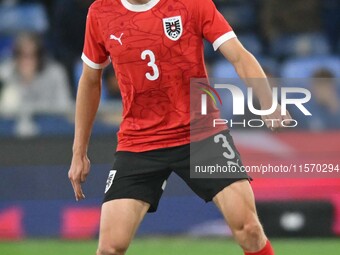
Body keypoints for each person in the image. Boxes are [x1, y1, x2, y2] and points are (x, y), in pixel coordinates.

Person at [68, 1, 291, 255]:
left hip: (201, 134)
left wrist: (268, 101)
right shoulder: (101, 12)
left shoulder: (191, 4)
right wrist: (78, 152)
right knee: (110, 248)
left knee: (249, 229)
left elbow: (239, 55)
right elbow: (90, 81)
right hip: (139, 141)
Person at [0, 32, 72, 136]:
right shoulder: (4, 74)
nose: (27, 60)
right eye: (22, 54)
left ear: (40, 56)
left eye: (32, 55)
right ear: (15, 56)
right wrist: (25, 82)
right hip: (12, 137)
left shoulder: (55, 73)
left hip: (51, 133)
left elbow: (64, 108)